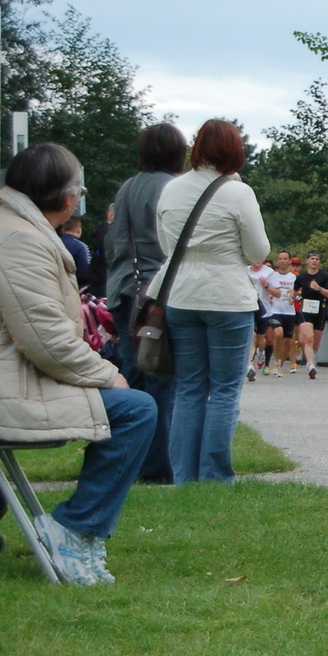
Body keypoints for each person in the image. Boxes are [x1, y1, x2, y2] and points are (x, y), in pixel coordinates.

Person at [0, 144, 157, 584]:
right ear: (68, 200)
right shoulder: (19, 240)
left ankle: (80, 530)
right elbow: (48, 342)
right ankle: (74, 529)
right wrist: (107, 375)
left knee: (131, 406)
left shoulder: (2, 227)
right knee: (136, 410)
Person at [154, 119, 272, 484]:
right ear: (235, 152)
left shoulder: (171, 191)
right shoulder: (239, 193)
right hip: (227, 297)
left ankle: (184, 476)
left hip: (181, 295)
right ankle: (215, 475)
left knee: (189, 388)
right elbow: (258, 251)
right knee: (224, 390)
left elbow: (165, 246)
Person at [106, 122, 189, 483]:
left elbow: (112, 244)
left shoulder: (126, 188)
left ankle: (130, 461)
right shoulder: (172, 187)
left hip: (124, 290)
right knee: (163, 378)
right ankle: (159, 466)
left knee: (132, 377)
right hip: (157, 293)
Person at [293, 250, 328, 379]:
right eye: (312, 258)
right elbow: (295, 290)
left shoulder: (324, 277)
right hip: (305, 309)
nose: (314, 261)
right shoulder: (302, 277)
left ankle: (308, 357)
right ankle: (311, 365)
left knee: (314, 343)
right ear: (307, 261)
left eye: (317, 259)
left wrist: (319, 288)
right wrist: (293, 295)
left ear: (320, 262)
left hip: (320, 309)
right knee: (308, 337)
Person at [263, 250, 300, 376]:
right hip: (275, 310)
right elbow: (265, 289)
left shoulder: (294, 277)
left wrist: (294, 295)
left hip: (289, 311)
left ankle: (280, 364)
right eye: (280, 258)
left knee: (289, 341)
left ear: (289, 261)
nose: (282, 261)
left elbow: (300, 292)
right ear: (277, 260)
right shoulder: (272, 276)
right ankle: (275, 360)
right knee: (278, 334)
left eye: (285, 259)